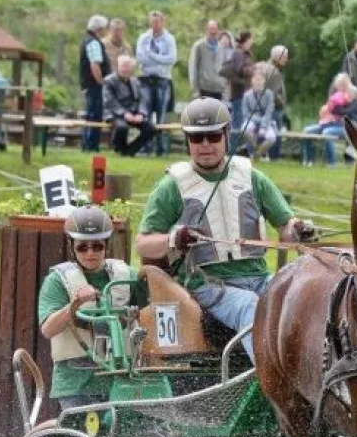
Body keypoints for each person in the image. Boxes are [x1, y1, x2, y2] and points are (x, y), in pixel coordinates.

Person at [135, 98, 316, 359]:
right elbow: (143, 244)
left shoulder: (252, 177)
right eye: (196, 138)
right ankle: (272, 380)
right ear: (187, 141)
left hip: (260, 278)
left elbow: (286, 229)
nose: (205, 145)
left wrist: (297, 229)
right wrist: (174, 238)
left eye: (213, 136)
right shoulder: (172, 186)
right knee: (251, 308)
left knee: (304, 299)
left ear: (226, 135)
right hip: (208, 285)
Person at [38, 206, 139, 411]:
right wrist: (75, 304)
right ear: (72, 247)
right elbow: (48, 329)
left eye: (97, 247)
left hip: (122, 379)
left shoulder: (128, 276)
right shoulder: (57, 281)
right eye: (82, 247)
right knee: (81, 431)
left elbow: (150, 315)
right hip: (76, 383)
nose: (90, 253)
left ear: (106, 246)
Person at [135, 10, 178, 156]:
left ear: (162, 22)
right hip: (146, 79)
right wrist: (159, 59)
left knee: (161, 116)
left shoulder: (169, 39)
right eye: (153, 22)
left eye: (158, 21)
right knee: (145, 114)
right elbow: (140, 58)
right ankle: (145, 148)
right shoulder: (143, 38)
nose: (155, 24)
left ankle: (161, 149)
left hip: (162, 80)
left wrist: (152, 56)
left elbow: (171, 59)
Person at [300, 74, 357, 166]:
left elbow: (346, 111)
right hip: (328, 123)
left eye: (342, 85)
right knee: (307, 131)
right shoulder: (336, 95)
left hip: (344, 126)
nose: (339, 88)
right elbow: (330, 108)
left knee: (327, 133)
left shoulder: (352, 95)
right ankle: (309, 160)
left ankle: (331, 163)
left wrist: (333, 111)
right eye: (338, 85)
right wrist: (326, 111)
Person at [103, 55, 154, 157]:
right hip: (115, 114)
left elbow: (143, 100)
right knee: (122, 127)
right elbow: (110, 101)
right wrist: (124, 114)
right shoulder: (109, 81)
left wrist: (141, 114)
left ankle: (130, 150)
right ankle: (121, 149)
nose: (125, 69)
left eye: (128, 66)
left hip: (134, 113)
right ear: (118, 67)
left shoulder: (136, 81)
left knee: (150, 128)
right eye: (123, 66)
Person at [79, 14, 110, 152]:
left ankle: (88, 144)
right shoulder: (94, 43)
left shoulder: (87, 40)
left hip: (89, 84)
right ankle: (91, 145)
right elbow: (95, 64)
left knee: (91, 114)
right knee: (94, 115)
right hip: (94, 85)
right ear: (99, 29)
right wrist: (101, 81)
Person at [257, 45, 289, 160]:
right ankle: (274, 157)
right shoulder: (273, 71)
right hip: (274, 108)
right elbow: (272, 92)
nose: (286, 59)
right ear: (276, 57)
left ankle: (266, 155)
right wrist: (282, 102)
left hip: (266, 107)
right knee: (275, 133)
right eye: (284, 57)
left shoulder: (265, 67)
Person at [221, 32, 255, 131]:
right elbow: (239, 69)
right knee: (238, 122)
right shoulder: (238, 53)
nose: (251, 43)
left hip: (246, 92)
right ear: (245, 41)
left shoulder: (246, 53)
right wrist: (254, 69)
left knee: (243, 121)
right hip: (239, 92)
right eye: (250, 41)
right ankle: (234, 141)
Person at [239, 71, 276, 158]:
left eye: (260, 79)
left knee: (272, 138)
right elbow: (245, 113)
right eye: (256, 79)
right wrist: (256, 120)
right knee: (244, 129)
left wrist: (263, 126)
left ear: (264, 81)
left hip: (266, 121)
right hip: (251, 119)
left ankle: (258, 154)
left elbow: (269, 111)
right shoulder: (246, 95)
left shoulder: (269, 94)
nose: (258, 82)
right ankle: (255, 146)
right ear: (252, 81)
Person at [189, 20, 226, 102]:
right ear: (206, 30)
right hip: (204, 88)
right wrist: (195, 89)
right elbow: (193, 68)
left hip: (218, 89)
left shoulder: (221, 47)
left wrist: (224, 87)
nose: (213, 32)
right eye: (211, 29)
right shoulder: (199, 46)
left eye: (215, 29)